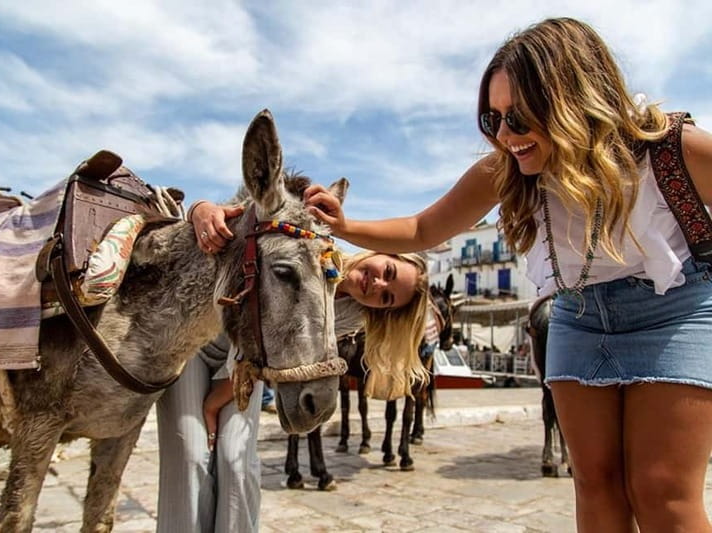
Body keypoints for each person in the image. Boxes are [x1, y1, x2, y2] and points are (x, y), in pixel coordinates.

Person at [302, 17, 712, 533]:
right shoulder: (505, 169)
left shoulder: (671, 148)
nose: (504, 135)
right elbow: (424, 226)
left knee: (662, 491)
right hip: (576, 318)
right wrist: (346, 225)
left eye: (518, 117)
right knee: (595, 484)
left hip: (673, 313)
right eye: (491, 119)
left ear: (572, 97)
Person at [155, 199, 431, 533]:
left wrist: (215, 402)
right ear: (381, 252)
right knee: (189, 452)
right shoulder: (308, 243)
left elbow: (279, 362)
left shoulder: (349, 317)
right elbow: (244, 217)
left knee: (235, 458)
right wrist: (199, 209)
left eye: (387, 297)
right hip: (193, 344)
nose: (378, 285)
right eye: (388, 272)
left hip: (245, 368)